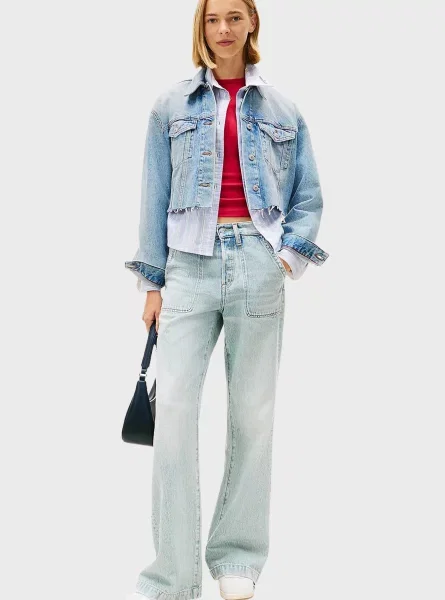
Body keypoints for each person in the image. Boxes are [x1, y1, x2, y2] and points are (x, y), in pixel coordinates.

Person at [124, 1, 329, 598]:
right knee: (174, 416)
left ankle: (237, 558)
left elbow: (308, 195)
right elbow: (152, 195)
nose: (224, 29)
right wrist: (153, 282)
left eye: (235, 17)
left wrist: (285, 258)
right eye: (214, 19)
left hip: (257, 264)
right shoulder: (170, 106)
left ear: (251, 23)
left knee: (253, 416)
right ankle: (171, 577)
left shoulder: (283, 108)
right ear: (202, 27)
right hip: (188, 267)